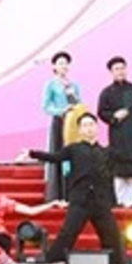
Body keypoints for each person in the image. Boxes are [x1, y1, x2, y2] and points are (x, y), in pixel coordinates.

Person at [27, 114, 128, 264]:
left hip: (100, 201)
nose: (89, 129)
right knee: (68, 233)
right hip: (80, 201)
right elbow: (55, 157)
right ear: (80, 130)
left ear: (96, 128)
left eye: (91, 125)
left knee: (112, 235)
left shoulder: (106, 152)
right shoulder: (73, 149)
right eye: (85, 126)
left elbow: (129, 158)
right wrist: (32, 154)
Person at [96, 57, 132, 209]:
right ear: (111, 72)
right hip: (118, 134)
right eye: (116, 69)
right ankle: (121, 198)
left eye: (122, 68)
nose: (120, 71)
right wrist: (114, 116)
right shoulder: (106, 92)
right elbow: (101, 112)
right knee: (119, 167)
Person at [41, 51, 80, 203]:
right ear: (54, 67)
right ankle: (57, 194)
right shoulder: (51, 84)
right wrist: (62, 111)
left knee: (73, 156)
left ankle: (71, 193)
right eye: (60, 63)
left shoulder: (73, 85)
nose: (64, 66)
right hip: (59, 122)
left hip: (73, 124)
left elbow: (78, 103)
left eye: (66, 63)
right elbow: (46, 106)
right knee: (58, 155)